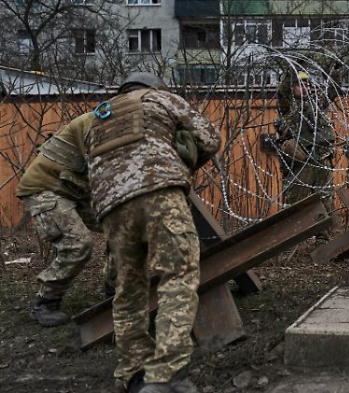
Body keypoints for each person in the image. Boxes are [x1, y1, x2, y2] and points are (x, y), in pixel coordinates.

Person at [86, 72, 220, 393]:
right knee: (177, 275)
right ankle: (166, 375)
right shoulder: (160, 98)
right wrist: (185, 160)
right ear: (153, 87)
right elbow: (209, 137)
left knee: (128, 289)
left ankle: (132, 374)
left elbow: (89, 165)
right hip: (160, 192)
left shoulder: (99, 116)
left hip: (111, 205)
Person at [16, 112, 116, 327]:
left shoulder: (123, 121)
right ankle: (45, 303)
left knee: (122, 228)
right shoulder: (100, 120)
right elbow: (104, 164)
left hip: (73, 190)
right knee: (78, 244)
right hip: (45, 188)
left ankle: (114, 290)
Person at [275, 67, 342, 241]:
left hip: (321, 157)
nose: (304, 87)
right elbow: (282, 92)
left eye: (306, 83)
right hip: (300, 160)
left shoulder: (316, 102)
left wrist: (335, 71)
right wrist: (291, 70)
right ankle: (288, 239)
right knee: (294, 200)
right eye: (299, 84)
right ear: (292, 87)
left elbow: (332, 91)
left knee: (325, 198)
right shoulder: (288, 105)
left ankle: (326, 236)